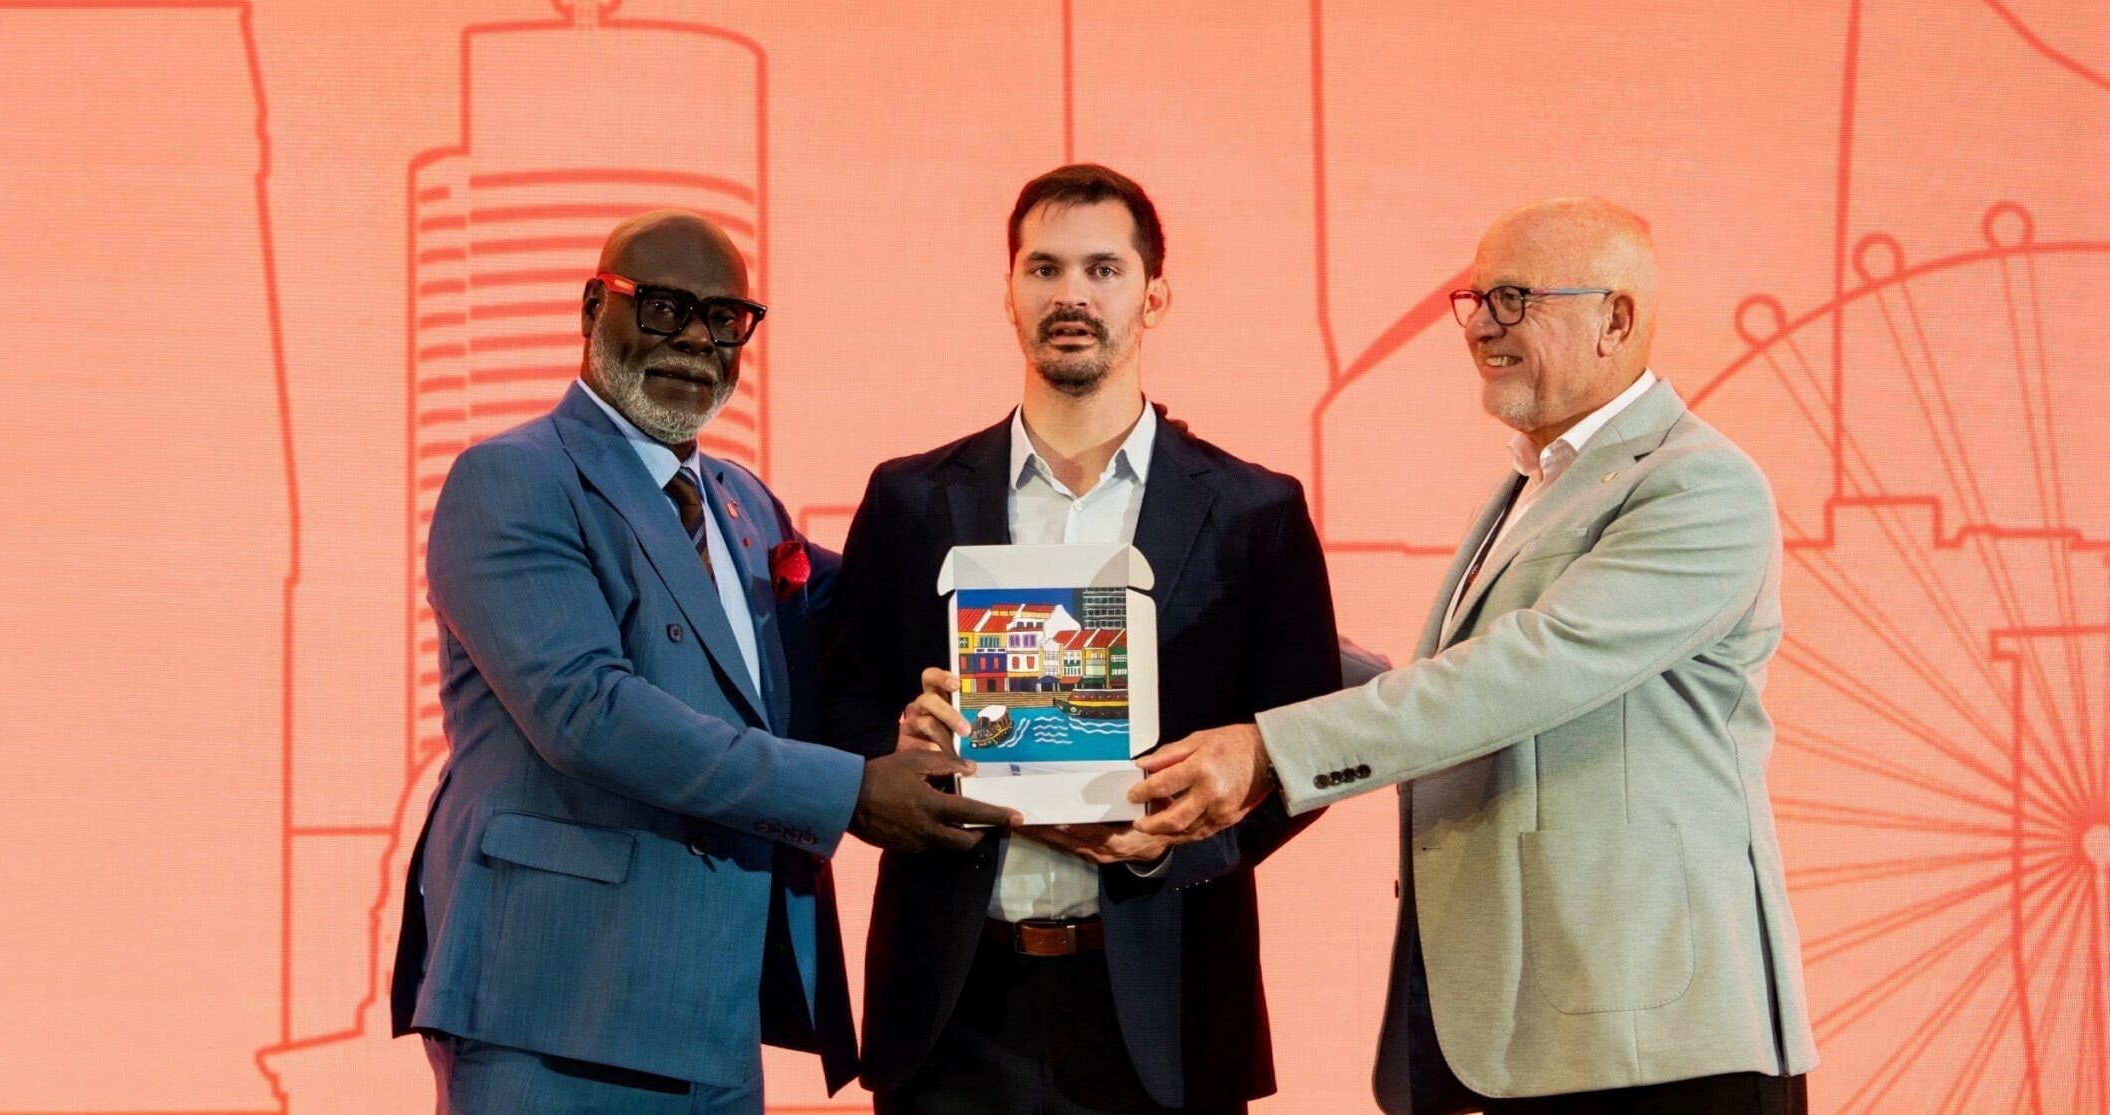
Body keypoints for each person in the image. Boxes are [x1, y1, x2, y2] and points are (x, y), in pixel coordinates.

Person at [1128, 198, 1816, 1114]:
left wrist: (1271, 749)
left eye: (1514, 298)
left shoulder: (1698, 483)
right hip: (1550, 1034)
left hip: (1664, 1043)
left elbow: (1523, 674)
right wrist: (1240, 643)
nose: (1481, 325)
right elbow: (1462, 690)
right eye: (1475, 298)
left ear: (1616, 318)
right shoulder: (1536, 482)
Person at [391, 211, 1017, 1114]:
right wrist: (849, 790)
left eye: (725, 318)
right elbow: (588, 712)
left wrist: (1057, 597)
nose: (695, 337)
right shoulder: (513, 478)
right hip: (556, 1005)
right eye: (663, 307)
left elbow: (880, 618)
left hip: (714, 1016)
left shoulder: (744, 504)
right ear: (592, 308)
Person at [820, 164, 1345, 1114]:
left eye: (1103, 268)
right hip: (950, 1010)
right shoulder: (908, 497)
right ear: (1009, 294)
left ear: (1154, 295)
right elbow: (841, 706)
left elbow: (1305, 751)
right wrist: (895, 753)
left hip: (1169, 1009)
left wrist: (1166, 845)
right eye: (1045, 268)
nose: (1072, 294)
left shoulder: (1255, 512)